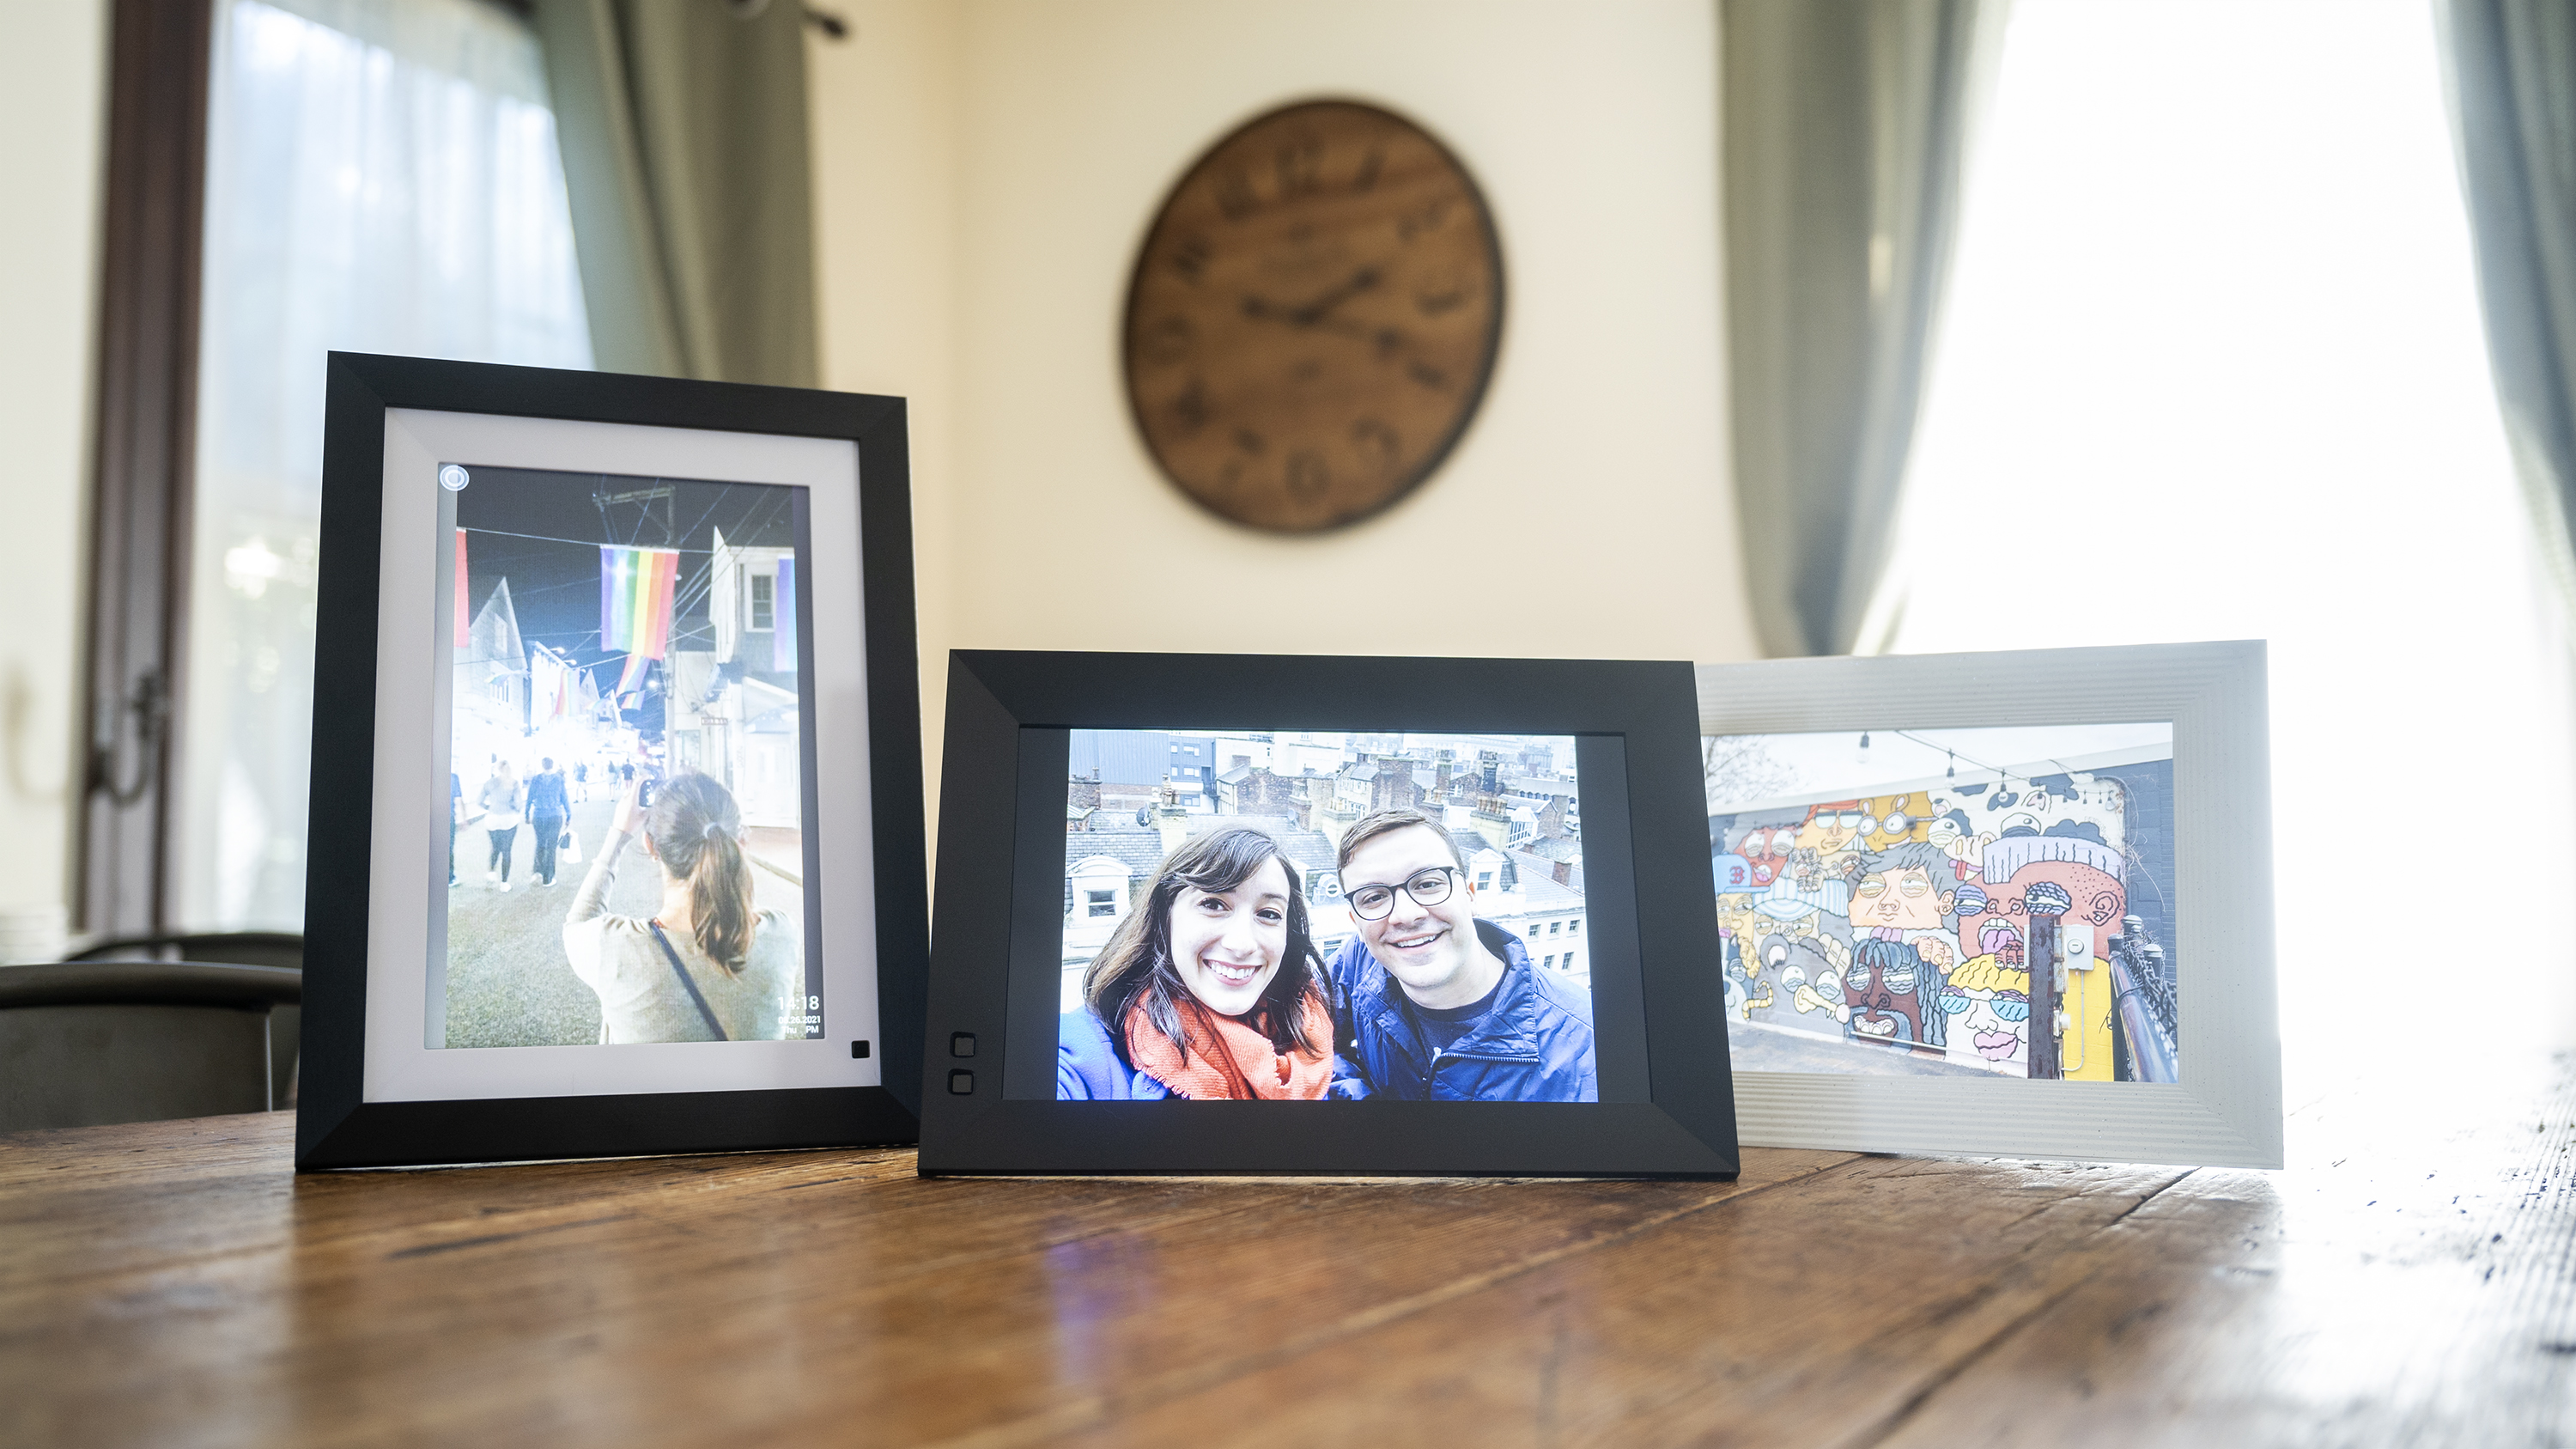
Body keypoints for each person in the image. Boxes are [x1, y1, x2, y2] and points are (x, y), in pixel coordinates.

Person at [1325, 808, 1596, 1101]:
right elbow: (1294, 1029)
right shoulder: (1359, 961)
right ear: (1357, 922)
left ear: (1469, 895)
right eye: (1375, 897)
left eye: (1428, 884)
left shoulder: (1585, 1052)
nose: (1405, 915)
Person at [1058, 826, 1334, 1100]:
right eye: (1213, 904)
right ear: (1166, 916)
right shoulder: (1087, 1054)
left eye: (1269, 914)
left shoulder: (1310, 1020)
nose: (1242, 944)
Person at [564, 771, 803, 1044]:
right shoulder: (783, 934)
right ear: (740, 844)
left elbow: (578, 922)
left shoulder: (614, 948)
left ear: (651, 846)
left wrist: (619, 835)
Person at [477, 758, 522, 892]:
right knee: (506, 851)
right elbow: (518, 804)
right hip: (509, 819)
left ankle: (491, 872)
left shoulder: (490, 783)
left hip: (492, 819)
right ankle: (504, 883)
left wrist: (489, 807)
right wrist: (514, 808)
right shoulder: (514, 783)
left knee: (495, 847)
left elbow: (479, 801)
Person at [526, 756, 571, 887]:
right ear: (552, 765)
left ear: (542, 765)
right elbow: (564, 798)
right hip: (554, 816)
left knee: (540, 843)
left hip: (539, 816)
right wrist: (569, 815)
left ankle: (537, 872)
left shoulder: (536, 779)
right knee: (551, 847)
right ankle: (548, 878)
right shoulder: (558, 779)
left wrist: (527, 813)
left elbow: (530, 797)